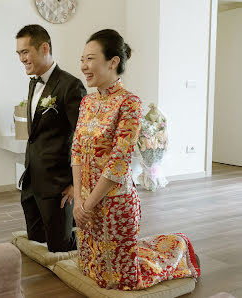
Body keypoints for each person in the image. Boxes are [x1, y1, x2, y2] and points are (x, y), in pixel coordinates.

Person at [72, 29, 200, 290]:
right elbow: (76, 150)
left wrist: (87, 205)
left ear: (113, 61)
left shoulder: (130, 103)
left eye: (90, 59)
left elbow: (118, 163)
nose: (84, 66)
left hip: (114, 205)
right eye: (82, 59)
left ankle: (178, 246)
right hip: (86, 203)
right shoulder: (86, 102)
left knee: (122, 280)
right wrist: (79, 198)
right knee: (89, 270)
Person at [15, 25, 86, 252]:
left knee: (59, 245)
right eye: (18, 53)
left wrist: (77, 185)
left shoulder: (71, 86)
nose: (21, 59)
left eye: (25, 52)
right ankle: (69, 223)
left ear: (44, 48)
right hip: (33, 177)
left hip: (58, 182)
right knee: (36, 236)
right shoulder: (33, 82)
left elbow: (82, 138)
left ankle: (93, 240)